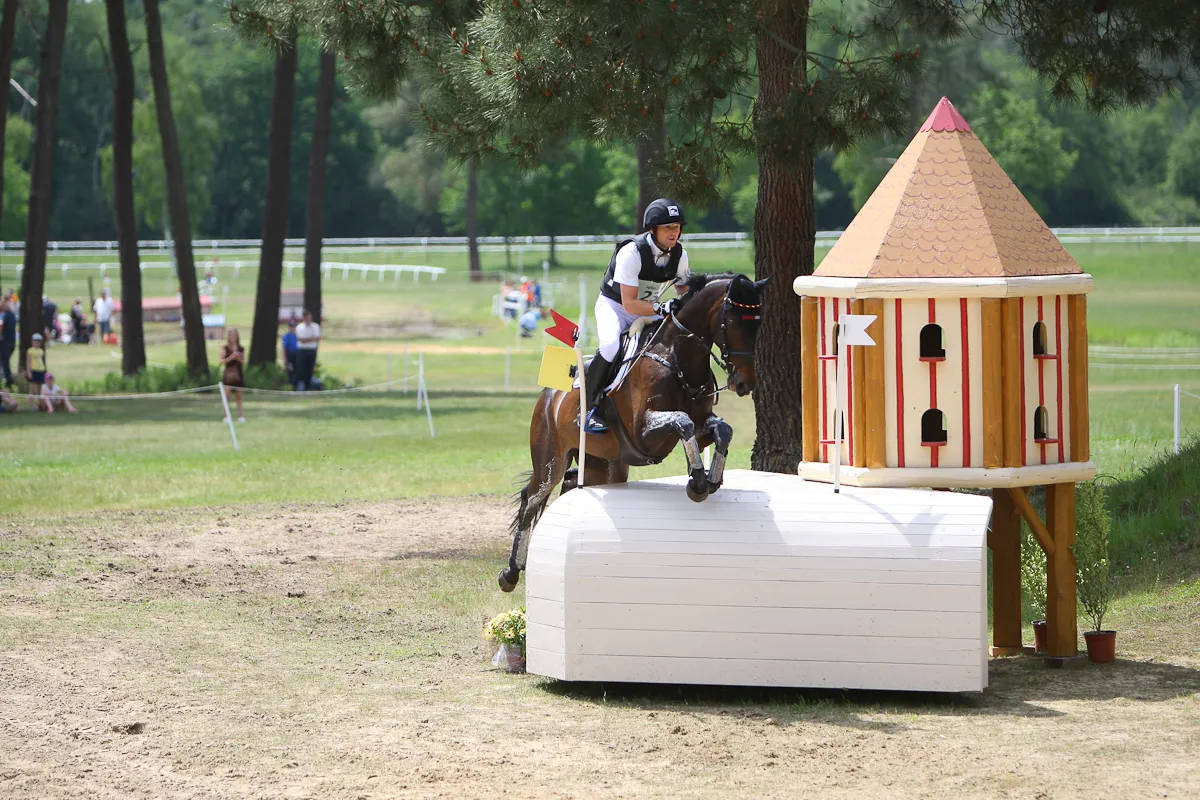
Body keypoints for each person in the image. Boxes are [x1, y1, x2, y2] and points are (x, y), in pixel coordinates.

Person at [583, 198, 691, 434]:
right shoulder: (632, 252)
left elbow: (684, 289)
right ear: (653, 229)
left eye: (677, 228)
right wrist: (662, 308)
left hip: (649, 309)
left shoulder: (679, 255)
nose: (675, 233)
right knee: (611, 346)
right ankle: (590, 409)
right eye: (668, 228)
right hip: (616, 307)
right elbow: (630, 304)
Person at [219, 328, 246, 422]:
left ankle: (240, 416)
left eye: (235, 335)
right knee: (227, 396)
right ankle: (226, 416)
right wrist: (231, 357)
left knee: (239, 396)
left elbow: (243, 361)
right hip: (229, 374)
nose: (233, 337)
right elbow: (221, 361)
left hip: (238, 374)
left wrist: (238, 358)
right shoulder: (224, 348)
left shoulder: (241, 348)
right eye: (231, 335)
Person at [294, 309, 321, 391]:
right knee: (301, 368)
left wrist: (307, 339)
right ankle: (302, 386)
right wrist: (311, 339)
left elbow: (316, 338)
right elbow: (301, 339)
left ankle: (310, 386)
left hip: (312, 350)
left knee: (310, 368)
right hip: (302, 351)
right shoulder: (299, 327)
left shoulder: (315, 326)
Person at [26, 332, 47, 405]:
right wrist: (29, 372)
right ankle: (31, 404)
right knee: (32, 388)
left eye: (37, 341)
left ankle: (40, 404)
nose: (36, 343)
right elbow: (28, 362)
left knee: (40, 388)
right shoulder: (30, 350)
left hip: (40, 370)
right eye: (34, 341)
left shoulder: (41, 351)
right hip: (33, 370)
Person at [0, 297, 16, 387]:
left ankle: (8, 382)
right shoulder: (12, 314)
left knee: (4, 363)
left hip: (5, 343)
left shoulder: (5, 315)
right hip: (11, 342)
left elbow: (1, 324)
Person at [280, 321, 299, 387]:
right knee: (291, 371)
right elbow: (284, 348)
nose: (293, 328)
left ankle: (297, 385)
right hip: (290, 356)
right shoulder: (286, 336)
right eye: (292, 326)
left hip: (298, 356)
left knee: (298, 371)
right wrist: (284, 358)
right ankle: (291, 385)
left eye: (294, 326)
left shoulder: (299, 335)